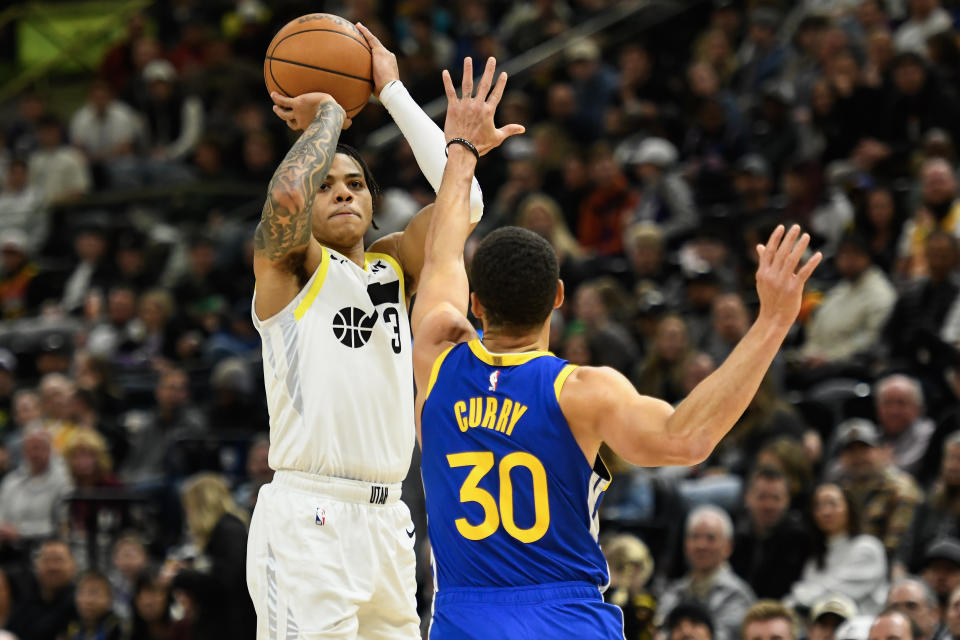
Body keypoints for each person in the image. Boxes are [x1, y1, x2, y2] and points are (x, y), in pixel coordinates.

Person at [409, 52, 820, 637]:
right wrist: (773, 322)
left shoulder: (438, 357)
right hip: (565, 617)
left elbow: (443, 251)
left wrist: (462, 149)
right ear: (557, 296)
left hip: (464, 615)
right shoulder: (582, 391)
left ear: (476, 303)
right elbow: (688, 438)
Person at [244, 24, 497, 639]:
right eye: (326, 184)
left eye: (354, 184)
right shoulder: (290, 266)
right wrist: (328, 117)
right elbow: (283, 200)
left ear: (372, 201)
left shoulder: (393, 263)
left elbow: (467, 202)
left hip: (389, 520)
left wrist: (390, 92)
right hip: (309, 516)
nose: (341, 193)